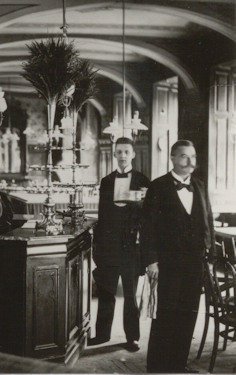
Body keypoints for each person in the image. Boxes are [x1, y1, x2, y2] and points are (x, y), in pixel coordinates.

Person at [141, 140, 215, 373]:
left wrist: (210, 257)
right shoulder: (158, 186)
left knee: (188, 313)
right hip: (168, 263)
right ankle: (157, 366)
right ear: (172, 158)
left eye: (193, 156)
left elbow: (208, 222)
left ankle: (178, 364)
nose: (190, 161)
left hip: (195, 264)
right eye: (184, 156)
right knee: (166, 314)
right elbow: (148, 226)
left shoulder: (200, 185)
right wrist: (151, 260)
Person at [89, 137, 150, 352]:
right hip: (109, 246)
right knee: (106, 291)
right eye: (119, 152)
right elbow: (102, 216)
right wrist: (97, 247)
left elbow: (148, 217)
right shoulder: (106, 181)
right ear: (114, 154)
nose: (123, 155)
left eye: (127, 151)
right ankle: (102, 334)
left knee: (131, 294)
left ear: (133, 154)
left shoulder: (144, 181)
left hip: (132, 247)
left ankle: (132, 337)